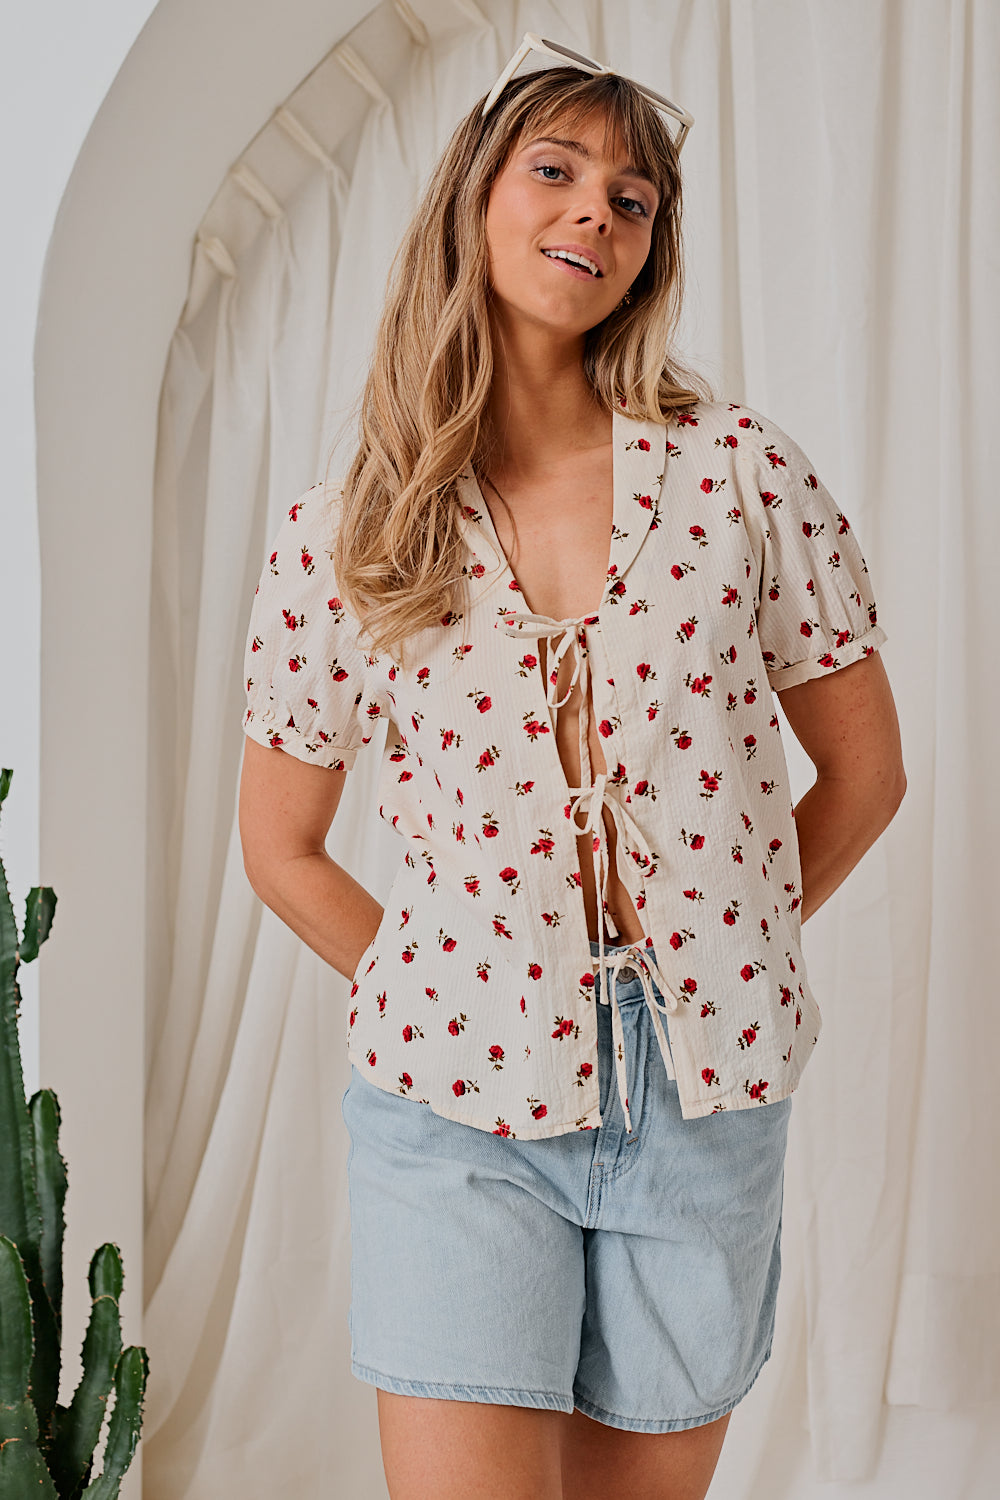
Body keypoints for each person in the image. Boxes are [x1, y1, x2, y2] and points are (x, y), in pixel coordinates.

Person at [238, 38, 905, 1500]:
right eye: (557, 170)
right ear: (474, 198)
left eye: (635, 198)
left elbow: (864, 773)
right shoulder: (344, 528)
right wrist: (444, 973)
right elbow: (279, 845)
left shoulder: (742, 473)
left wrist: (721, 944)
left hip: (706, 1098)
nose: (598, 211)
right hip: (453, 1103)